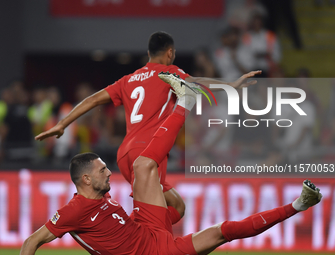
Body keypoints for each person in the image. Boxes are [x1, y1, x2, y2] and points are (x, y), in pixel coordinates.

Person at [20, 74, 322, 255]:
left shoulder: (100, 195)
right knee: (222, 230)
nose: (109, 171)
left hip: (145, 226)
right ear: (85, 180)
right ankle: (298, 205)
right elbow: (33, 241)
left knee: (142, 168)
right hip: (155, 251)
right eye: (102, 170)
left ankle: (185, 100)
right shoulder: (74, 211)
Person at [35, 31, 261, 224]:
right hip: (149, 151)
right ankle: (131, 238)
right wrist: (230, 85)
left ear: (148, 54)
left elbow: (93, 99)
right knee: (151, 217)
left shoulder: (128, 79)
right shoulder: (169, 72)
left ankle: (138, 236)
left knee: (176, 207)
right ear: (170, 53)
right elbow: (196, 84)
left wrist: (63, 123)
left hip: (126, 153)